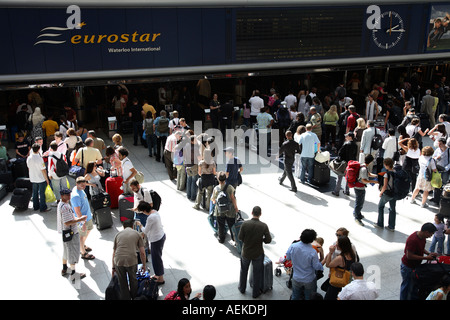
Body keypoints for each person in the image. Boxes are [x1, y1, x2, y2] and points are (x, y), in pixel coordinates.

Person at [238, 206, 272, 298]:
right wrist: (262, 240)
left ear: (252, 212)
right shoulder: (263, 226)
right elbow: (268, 240)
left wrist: (247, 240)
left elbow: (240, 237)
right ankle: (255, 293)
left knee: (243, 270)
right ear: (260, 214)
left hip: (246, 252)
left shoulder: (245, 224)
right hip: (258, 253)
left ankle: (242, 288)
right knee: (257, 273)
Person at [400, 222, 438, 300]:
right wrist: (426, 258)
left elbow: (421, 248)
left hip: (415, 266)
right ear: (426, 232)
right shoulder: (413, 240)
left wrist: (428, 253)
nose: (430, 237)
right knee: (406, 286)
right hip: (408, 267)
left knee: (414, 285)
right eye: (430, 234)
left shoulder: (422, 237)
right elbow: (409, 256)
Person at [112, 219, 146, 300]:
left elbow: (114, 253)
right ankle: (134, 297)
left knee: (122, 282)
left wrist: (113, 267)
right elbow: (142, 252)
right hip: (131, 260)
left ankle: (125, 298)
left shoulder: (118, 234)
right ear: (132, 226)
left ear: (123, 227)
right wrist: (144, 265)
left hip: (118, 261)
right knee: (133, 280)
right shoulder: (137, 234)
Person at [57, 188, 87, 282]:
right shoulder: (65, 207)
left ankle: (64, 268)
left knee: (66, 251)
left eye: (69, 194)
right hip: (71, 234)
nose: (69, 196)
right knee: (72, 253)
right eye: (67, 195)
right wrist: (80, 219)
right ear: (62, 196)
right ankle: (73, 274)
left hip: (64, 233)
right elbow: (67, 222)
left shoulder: (61, 204)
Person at [285, 229, 324, 300]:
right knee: (309, 297)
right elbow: (316, 266)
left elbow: (288, 257)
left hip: (296, 277)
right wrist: (322, 263)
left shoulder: (293, 246)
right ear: (312, 240)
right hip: (309, 279)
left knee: (295, 296)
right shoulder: (312, 251)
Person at [137, 201, 166, 285]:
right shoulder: (155, 212)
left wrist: (140, 225)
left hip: (156, 240)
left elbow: (145, 231)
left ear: (145, 210)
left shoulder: (150, 217)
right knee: (157, 258)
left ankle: (160, 279)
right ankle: (158, 275)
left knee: (156, 259)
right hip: (161, 236)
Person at [324, 235, 357, 300]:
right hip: (346, 281)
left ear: (341, 246)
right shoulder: (352, 254)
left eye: (337, 243)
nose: (336, 244)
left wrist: (330, 253)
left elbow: (328, 265)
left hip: (337, 283)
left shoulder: (340, 258)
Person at [71, 177, 95, 260]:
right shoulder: (76, 196)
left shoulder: (80, 189)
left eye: (85, 185)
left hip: (87, 217)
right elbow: (77, 211)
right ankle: (83, 253)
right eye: (82, 185)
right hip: (82, 219)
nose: (84, 187)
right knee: (81, 236)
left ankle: (83, 245)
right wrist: (82, 223)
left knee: (88, 231)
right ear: (77, 184)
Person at [211, 171, 238, 244]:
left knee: (221, 225)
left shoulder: (216, 188)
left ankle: (221, 238)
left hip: (220, 211)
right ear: (225, 179)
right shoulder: (230, 187)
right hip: (230, 211)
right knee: (231, 226)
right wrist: (236, 208)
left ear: (218, 179)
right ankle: (234, 239)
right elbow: (233, 198)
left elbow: (213, 200)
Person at [353, 154, 378, 226]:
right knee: (359, 202)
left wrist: (376, 176)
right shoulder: (364, 169)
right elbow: (364, 180)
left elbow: (369, 174)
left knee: (360, 201)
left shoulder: (363, 166)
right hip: (359, 187)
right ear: (370, 162)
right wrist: (374, 182)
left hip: (359, 186)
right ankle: (357, 217)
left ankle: (358, 213)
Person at [374, 158, 398, 231]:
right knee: (392, 209)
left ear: (386, 165)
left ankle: (380, 224)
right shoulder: (396, 172)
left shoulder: (387, 174)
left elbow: (384, 186)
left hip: (387, 193)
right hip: (395, 193)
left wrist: (381, 193)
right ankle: (391, 226)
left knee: (380, 206)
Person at [332, 132, 358, 196]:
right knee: (348, 177)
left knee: (340, 177)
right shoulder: (355, 145)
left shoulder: (346, 144)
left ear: (350, 137)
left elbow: (340, 153)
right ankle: (347, 191)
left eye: (347, 136)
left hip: (344, 163)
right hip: (350, 163)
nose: (346, 137)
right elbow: (355, 155)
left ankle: (336, 191)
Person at [27, 143, 51, 212]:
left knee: (35, 193)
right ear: (39, 149)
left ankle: (35, 206)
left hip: (33, 178)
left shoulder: (29, 158)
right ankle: (43, 207)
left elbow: (28, 167)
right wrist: (47, 179)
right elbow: (43, 170)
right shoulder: (40, 158)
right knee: (42, 193)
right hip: (40, 178)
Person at [48, 140, 70, 205]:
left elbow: (50, 166)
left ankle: (58, 201)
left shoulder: (51, 156)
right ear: (57, 147)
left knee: (56, 188)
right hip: (63, 173)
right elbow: (65, 163)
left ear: (51, 148)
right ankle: (66, 199)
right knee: (64, 187)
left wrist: (50, 174)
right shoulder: (62, 154)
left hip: (55, 175)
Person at [431, 138, 450, 203]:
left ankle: (443, 197)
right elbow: (433, 157)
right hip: (438, 169)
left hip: (445, 169)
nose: (439, 145)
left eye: (440, 144)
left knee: (444, 183)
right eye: (438, 144)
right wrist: (436, 158)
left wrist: (446, 168)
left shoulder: (448, 151)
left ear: (444, 144)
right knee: (436, 183)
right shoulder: (437, 150)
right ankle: (435, 197)